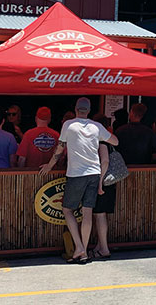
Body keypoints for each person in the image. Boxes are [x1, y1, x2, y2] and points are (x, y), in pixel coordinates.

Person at [40, 97, 118, 264]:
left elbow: (60, 148)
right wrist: (100, 137)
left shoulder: (68, 125)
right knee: (87, 212)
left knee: (67, 209)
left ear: (76, 109)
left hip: (76, 174)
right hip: (94, 174)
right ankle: (83, 250)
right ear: (89, 111)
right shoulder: (96, 126)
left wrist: (50, 165)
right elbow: (115, 141)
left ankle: (80, 248)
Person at [89, 114, 116, 261]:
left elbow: (104, 160)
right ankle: (100, 245)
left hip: (103, 181)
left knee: (99, 214)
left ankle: (104, 248)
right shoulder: (109, 138)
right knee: (102, 214)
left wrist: (100, 182)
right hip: (108, 181)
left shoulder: (102, 141)